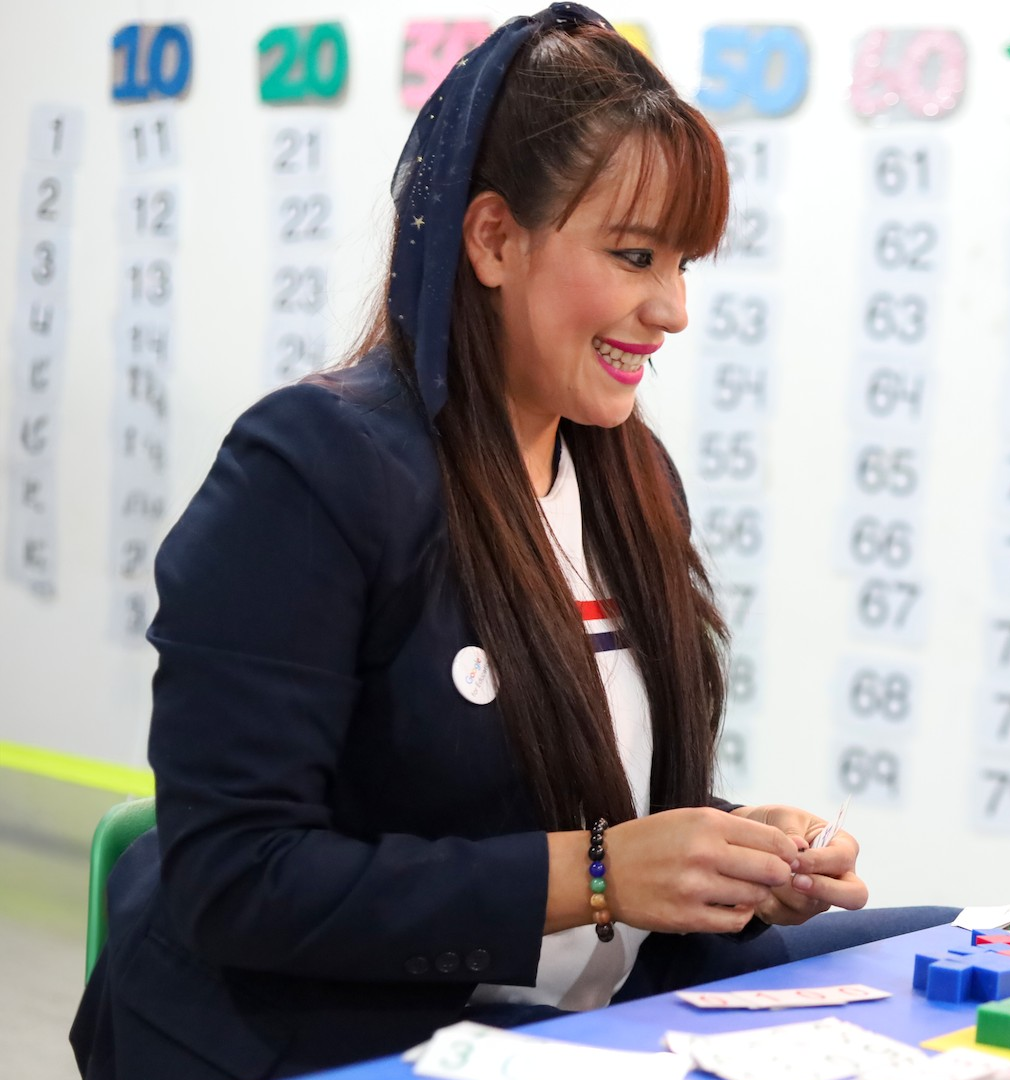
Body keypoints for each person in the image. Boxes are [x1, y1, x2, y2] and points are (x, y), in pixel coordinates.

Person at [72, 8, 950, 1077]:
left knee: (951, 953)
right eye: (635, 255)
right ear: (492, 239)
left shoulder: (629, 477)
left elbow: (579, 809)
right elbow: (239, 877)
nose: (673, 309)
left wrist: (734, 851)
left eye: (684, 264)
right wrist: (599, 874)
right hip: (331, 1030)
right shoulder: (312, 468)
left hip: (583, 1007)